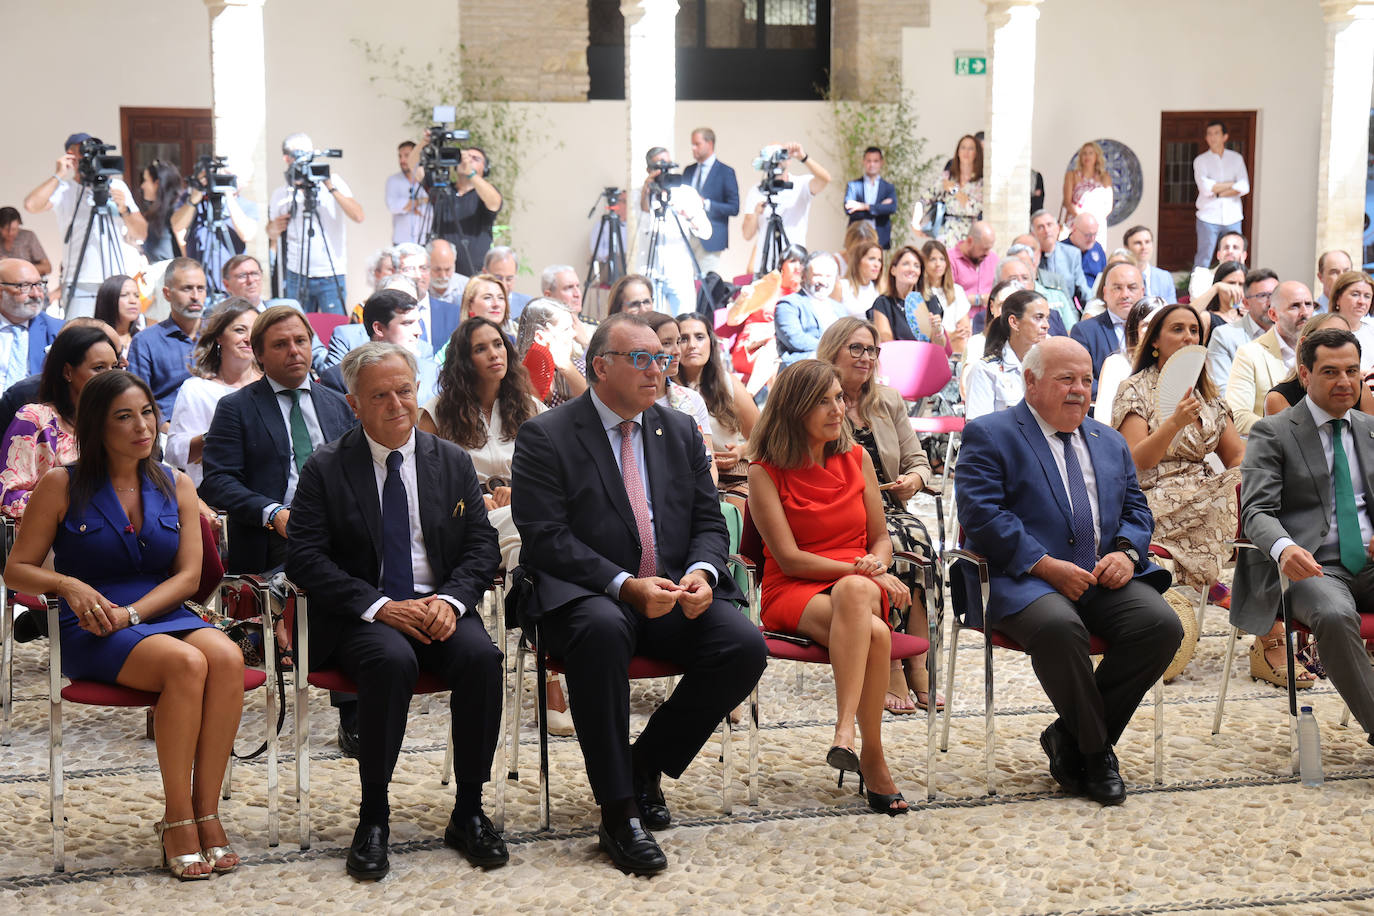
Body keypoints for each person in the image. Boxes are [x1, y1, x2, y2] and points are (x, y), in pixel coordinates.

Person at [510, 313, 767, 875]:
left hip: (673, 589)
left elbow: (709, 517)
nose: (659, 370)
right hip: (590, 593)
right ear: (601, 367)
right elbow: (546, 538)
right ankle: (618, 811)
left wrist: (701, 571)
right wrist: (624, 585)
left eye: (663, 359)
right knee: (602, 632)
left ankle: (643, 763)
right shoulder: (547, 435)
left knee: (744, 645)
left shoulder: (675, 430)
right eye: (643, 359)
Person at [4, 370, 245, 879]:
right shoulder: (61, 483)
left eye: (147, 414)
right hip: (90, 622)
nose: (143, 427)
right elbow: (15, 567)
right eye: (124, 417)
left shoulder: (175, 482)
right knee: (185, 664)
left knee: (227, 656)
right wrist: (67, 585)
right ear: (96, 424)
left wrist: (136, 613)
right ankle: (178, 818)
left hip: (158, 609)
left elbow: (190, 575)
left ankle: (208, 812)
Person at [286, 342, 506, 880]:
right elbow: (304, 558)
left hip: (439, 605)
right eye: (380, 395)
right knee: (391, 662)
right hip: (365, 614)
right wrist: (380, 605)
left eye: (405, 391)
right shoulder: (327, 466)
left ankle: (470, 811)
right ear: (353, 404)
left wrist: (452, 601)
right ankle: (374, 816)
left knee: (482, 659)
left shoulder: (449, 460)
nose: (397, 404)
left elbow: (481, 544)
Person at [955, 336, 1181, 805]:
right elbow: (982, 514)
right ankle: (1096, 754)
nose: (1080, 390)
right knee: (1061, 628)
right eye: (1066, 379)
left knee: (1160, 626)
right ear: (1031, 381)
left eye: (1086, 379)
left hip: (1102, 575)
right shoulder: (992, 433)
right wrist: (1046, 565)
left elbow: (1136, 511)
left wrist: (1126, 552)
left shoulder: (1108, 439)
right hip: (1022, 577)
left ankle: (1069, 737)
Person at [747, 358, 912, 812]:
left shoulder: (857, 458)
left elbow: (880, 539)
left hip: (858, 581)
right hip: (795, 587)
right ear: (793, 408)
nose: (837, 408)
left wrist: (874, 570)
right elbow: (788, 558)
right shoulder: (764, 470)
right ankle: (872, 757)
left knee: (858, 597)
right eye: (822, 400)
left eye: (838, 397)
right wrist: (865, 574)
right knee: (875, 631)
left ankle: (846, 734)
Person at [418, 316, 565, 741]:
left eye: (499, 345)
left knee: (529, 536)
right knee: (533, 539)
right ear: (464, 360)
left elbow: (556, 473)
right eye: (482, 348)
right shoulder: (437, 411)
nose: (494, 354)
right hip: (462, 517)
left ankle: (544, 656)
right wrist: (473, 498)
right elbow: (423, 481)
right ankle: (549, 672)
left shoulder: (530, 407)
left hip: (522, 512)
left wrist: (521, 491)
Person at [1234, 325, 1374, 745]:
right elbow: (1256, 510)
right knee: (1333, 615)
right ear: (1304, 374)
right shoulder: (1273, 432)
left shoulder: (1370, 429)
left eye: (1352, 370)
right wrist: (1285, 548)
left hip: (1369, 561)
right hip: (1311, 565)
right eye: (1331, 372)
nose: (1345, 382)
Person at [817, 319, 937, 712]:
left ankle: (919, 660)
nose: (866, 358)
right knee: (900, 541)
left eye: (871, 350)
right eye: (856, 348)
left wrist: (913, 482)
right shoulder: (815, 398)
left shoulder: (887, 400)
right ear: (833, 350)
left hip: (889, 505)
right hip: (840, 512)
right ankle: (893, 663)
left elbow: (919, 460)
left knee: (917, 538)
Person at [200, 305, 357, 575]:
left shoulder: (338, 404)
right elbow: (218, 481)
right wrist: (272, 513)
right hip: (275, 535)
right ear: (259, 354)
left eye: (300, 341)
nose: (294, 351)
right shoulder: (236, 408)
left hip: (340, 527)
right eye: (281, 344)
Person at [1112, 303, 1244, 599]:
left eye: (1194, 330)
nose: (1188, 337)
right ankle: (1212, 585)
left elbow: (1236, 456)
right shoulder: (1134, 389)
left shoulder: (1209, 396)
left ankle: (1265, 608)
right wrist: (1174, 423)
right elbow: (1137, 462)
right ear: (1155, 341)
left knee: (1257, 488)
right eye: (1178, 329)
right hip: (1156, 493)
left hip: (1207, 489)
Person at [22, 132, 145, 317]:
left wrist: (124, 210)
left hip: (116, 280)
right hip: (79, 281)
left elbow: (141, 233)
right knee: (80, 337)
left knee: (116, 337)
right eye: (82, 154)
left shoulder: (117, 188)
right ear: (70, 156)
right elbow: (31, 205)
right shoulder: (64, 190)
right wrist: (59, 174)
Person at [0, 325, 118, 516]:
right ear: (67, 372)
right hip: (50, 536)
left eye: (115, 367)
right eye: (99, 368)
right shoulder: (36, 419)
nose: (110, 376)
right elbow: (8, 497)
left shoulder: (116, 421)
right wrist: (74, 506)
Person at [267, 132, 365, 315]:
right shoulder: (281, 194)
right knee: (294, 328)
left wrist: (330, 186)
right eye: (299, 154)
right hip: (296, 274)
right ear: (287, 158)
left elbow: (358, 215)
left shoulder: (333, 182)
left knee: (335, 328)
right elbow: (271, 233)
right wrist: (274, 228)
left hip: (331, 273)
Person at [165, 301, 259, 486]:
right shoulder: (196, 389)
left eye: (254, 332)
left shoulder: (272, 385)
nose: (249, 338)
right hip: (214, 491)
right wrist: (215, 434)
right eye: (240, 330)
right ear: (219, 336)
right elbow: (175, 453)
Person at [675, 313, 759, 506]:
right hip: (681, 480)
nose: (692, 345)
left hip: (730, 480)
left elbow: (763, 435)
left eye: (699, 337)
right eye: (683, 339)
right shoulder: (663, 388)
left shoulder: (728, 384)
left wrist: (741, 450)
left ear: (711, 343)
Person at [319, 289, 438, 403]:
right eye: (407, 323)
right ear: (379, 328)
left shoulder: (434, 372)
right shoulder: (340, 379)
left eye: (418, 322)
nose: (418, 331)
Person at [1227, 282, 1315, 435]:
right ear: (1273, 315)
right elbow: (1239, 417)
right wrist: (1292, 432)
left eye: (1308, 304)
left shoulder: (1323, 352)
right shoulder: (1249, 354)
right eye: (1294, 306)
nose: (1304, 312)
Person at [126, 257, 207, 422]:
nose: (195, 296)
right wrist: (165, 430)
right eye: (187, 288)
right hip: (167, 430)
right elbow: (137, 398)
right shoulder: (145, 342)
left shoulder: (219, 336)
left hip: (220, 427)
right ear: (167, 293)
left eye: (201, 288)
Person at [638, 148, 711, 314]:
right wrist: (647, 192)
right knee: (650, 325)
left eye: (668, 168)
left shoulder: (686, 193)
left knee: (685, 321)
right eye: (659, 169)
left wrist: (688, 215)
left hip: (679, 271)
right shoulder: (642, 194)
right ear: (649, 170)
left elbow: (706, 232)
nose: (665, 173)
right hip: (650, 270)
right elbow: (642, 226)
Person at [170, 162, 258, 297]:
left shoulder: (246, 206)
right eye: (226, 175)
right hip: (199, 286)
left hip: (232, 286)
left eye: (234, 177)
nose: (228, 179)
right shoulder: (196, 201)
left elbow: (247, 234)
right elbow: (177, 225)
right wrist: (195, 197)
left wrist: (228, 196)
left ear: (246, 182)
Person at [965, 289, 1051, 421]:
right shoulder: (985, 370)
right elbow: (978, 431)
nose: (1046, 325)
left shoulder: (1050, 366)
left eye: (1047, 318)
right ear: (1014, 322)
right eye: (1038, 317)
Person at [1069, 261, 1143, 396]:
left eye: (1132, 288)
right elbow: (1081, 380)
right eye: (1117, 288)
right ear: (1105, 293)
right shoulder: (1085, 331)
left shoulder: (1155, 330)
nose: (1125, 294)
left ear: (1142, 292)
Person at [741, 142, 831, 249]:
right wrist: (756, 214)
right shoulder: (757, 190)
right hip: (765, 260)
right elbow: (747, 235)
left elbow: (825, 179)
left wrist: (803, 157)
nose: (777, 163)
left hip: (793, 261)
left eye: (780, 157)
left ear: (788, 160)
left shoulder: (800, 184)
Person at [1206, 267, 1276, 394]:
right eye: (1263, 296)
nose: (1271, 302)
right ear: (1246, 303)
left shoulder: (1293, 334)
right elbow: (1223, 392)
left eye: (1275, 295)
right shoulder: (1224, 336)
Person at [681, 127, 740, 275]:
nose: (693, 148)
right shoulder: (689, 171)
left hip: (711, 240)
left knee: (705, 284)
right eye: (692, 144)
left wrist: (706, 204)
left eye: (697, 144)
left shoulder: (726, 172)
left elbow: (734, 208)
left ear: (710, 144)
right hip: (687, 236)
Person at [1192, 120, 1250, 269]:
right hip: (1208, 217)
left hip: (1233, 217)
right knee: (1204, 258)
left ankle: (1235, 287)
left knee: (1235, 256)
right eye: (1209, 134)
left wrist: (1217, 190)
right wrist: (1232, 184)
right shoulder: (1201, 160)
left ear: (1225, 137)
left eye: (1216, 133)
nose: (1213, 137)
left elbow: (1244, 187)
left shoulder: (1236, 159)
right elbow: (1205, 189)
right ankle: (1198, 292)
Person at [0, 258, 64, 391]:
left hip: (36, 406)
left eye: (39, 284)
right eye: (24, 286)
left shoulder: (58, 331)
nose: (36, 294)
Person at [776, 251, 845, 365]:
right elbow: (796, 340)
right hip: (803, 368)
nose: (823, 281)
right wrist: (835, 349)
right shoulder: (788, 304)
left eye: (828, 276)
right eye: (817, 275)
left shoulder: (839, 308)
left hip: (837, 366)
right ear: (804, 276)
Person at [515, 299, 586, 408]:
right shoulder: (514, 377)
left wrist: (565, 366)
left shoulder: (581, 369)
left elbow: (595, 408)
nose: (574, 333)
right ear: (540, 337)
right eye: (566, 329)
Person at [870, 245, 947, 348]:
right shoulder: (883, 303)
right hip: (898, 359)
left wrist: (937, 330)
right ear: (893, 270)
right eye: (906, 264)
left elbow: (940, 347)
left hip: (926, 359)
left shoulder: (930, 300)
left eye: (916, 266)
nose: (912, 269)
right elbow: (886, 341)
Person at [391, 242, 463, 349]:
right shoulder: (387, 313)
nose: (419, 276)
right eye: (409, 269)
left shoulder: (454, 313)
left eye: (423, 268)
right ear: (395, 272)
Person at [917, 135, 983, 246]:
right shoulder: (947, 177)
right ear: (957, 151)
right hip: (946, 231)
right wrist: (916, 222)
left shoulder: (980, 182)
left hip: (969, 232)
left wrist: (954, 190)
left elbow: (973, 209)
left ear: (976, 153)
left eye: (971, 148)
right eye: (963, 147)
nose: (966, 152)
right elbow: (925, 198)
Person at [1031, 209, 1092, 307]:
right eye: (1041, 227)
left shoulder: (1072, 254)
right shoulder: (1030, 257)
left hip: (1067, 310)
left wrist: (1093, 311)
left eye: (1049, 225)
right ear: (1033, 234)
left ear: (1057, 228)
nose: (1046, 230)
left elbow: (1083, 291)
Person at [843, 146, 898, 249]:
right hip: (857, 237)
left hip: (880, 237)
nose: (872, 164)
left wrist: (863, 206)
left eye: (875, 161)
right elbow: (849, 209)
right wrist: (879, 208)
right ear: (863, 161)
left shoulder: (888, 187)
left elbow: (892, 208)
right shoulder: (854, 185)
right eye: (869, 161)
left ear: (881, 162)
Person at [922, 239, 973, 348]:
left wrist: (954, 335)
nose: (938, 264)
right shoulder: (919, 293)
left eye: (942, 259)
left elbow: (965, 328)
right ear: (924, 263)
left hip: (957, 346)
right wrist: (952, 335)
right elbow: (925, 334)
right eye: (932, 259)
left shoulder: (957, 290)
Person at [135, 160, 186, 262]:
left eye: (145, 180)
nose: (142, 186)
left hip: (171, 274)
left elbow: (184, 247)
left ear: (157, 183)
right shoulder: (156, 211)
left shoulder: (176, 210)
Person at [1327, 270, 1374, 368]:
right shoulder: (1322, 330)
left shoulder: (1371, 332)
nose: (1362, 301)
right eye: (1355, 294)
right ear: (1338, 298)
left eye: (1367, 296)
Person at [91, 273, 144, 360]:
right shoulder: (94, 340)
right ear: (108, 299)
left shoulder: (143, 337)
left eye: (137, 295)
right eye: (124, 295)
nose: (133, 301)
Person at [1062, 141, 1113, 229]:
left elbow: (1108, 205)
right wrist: (1084, 218)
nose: (1087, 156)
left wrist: (1096, 220)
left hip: (1097, 223)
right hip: (1076, 222)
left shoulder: (1104, 177)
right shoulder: (1072, 175)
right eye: (1084, 153)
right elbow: (1067, 202)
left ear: (1096, 156)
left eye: (1090, 153)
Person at [385, 140, 427, 245]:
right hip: (401, 241)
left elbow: (431, 210)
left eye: (407, 156)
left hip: (425, 241)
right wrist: (421, 201)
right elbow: (393, 206)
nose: (402, 160)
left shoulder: (428, 180)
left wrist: (408, 206)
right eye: (400, 156)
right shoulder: (393, 180)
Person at [949, 221, 998, 311]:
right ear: (969, 241)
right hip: (962, 320)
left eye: (989, 249)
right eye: (984, 249)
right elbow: (948, 297)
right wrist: (980, 299)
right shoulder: (950, 259)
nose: (987, 253)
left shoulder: (992, 258)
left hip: (989, 319)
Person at [1122, 226, 1176, 303]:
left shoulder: (1165, 277)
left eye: (1147, 242)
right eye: (1138, 243)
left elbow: (1172, 310)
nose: (1144, 247)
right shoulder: (1119, 277)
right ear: (1126, 248)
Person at [0, 207, 52, 275]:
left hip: (26, 283)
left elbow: (47, 268)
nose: (10, 233)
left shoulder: (28, 237)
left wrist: (17, 267)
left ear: (19, 224)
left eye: (14, 229)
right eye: (6, 229)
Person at [841, 239, 884, 319]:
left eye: (879, 260)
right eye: (871, 259)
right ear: (858, 261)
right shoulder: (842, 286)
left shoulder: (880, 289)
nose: (877, 264)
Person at [484, 246, 530, 318]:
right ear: (485, 274)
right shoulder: (473, 304)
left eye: (509, 279)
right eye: (498, 278)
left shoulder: (528, 305)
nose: (503, 285)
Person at [1066, 213, 1106, 292]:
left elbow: (1104, 276)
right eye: (1088, 235)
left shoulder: (1097, 248)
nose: (1092, 239)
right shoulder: (1062, 249)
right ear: (1074, 229)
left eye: (1095, 234)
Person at [427, 238, 466, 303]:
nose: (443, 276)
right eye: (437, 269)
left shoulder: (467, 288)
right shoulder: (418, 289)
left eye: (448, 269)